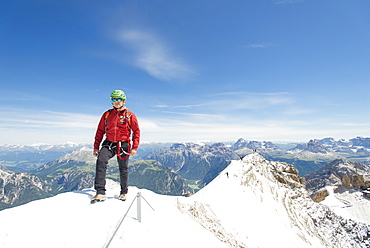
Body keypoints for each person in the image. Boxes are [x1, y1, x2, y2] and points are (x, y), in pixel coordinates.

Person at [92, 90, 140, 202]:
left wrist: (134, 147)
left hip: (123, 144)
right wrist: (96, 147)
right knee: (101, 161)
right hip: (109, 142)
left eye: (119, 99)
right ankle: (100, 192)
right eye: (114, 99)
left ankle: (123, 192)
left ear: (124, 101)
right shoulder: (107, 114)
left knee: (123, 168)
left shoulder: (130, 115)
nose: (116, 102)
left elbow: (136, 131)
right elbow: (100, 131)